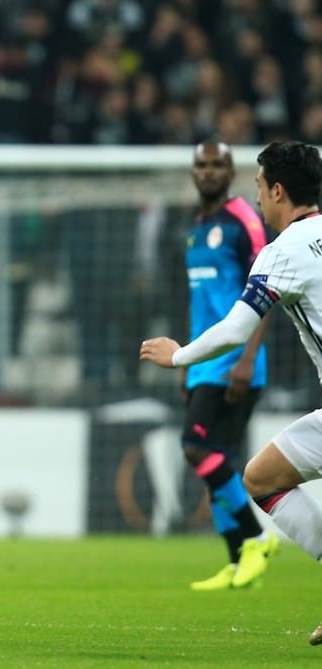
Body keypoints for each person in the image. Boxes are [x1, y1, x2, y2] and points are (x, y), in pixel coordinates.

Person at [140, 140, 322, 643]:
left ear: (279, 191)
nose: (258, 199)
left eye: (261, 189)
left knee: (239, 467)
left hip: (227, 371)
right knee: (261, 476)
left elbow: (236, 330)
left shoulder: (280, 250)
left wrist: (176, 354)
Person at [178, 140, 279, 591]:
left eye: (218, 164)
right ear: (193, 171)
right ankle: (240, 561)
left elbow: (267, 290)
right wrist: (188, 363)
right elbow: (200, 303)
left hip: (234, 361)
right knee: (217, 461)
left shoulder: (244, 220)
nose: (209, 171)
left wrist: (249, 357)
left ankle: (258, 538)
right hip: (205, 362)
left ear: (231, 171)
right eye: (202, 164)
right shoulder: (196, 227)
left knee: (197, 449)